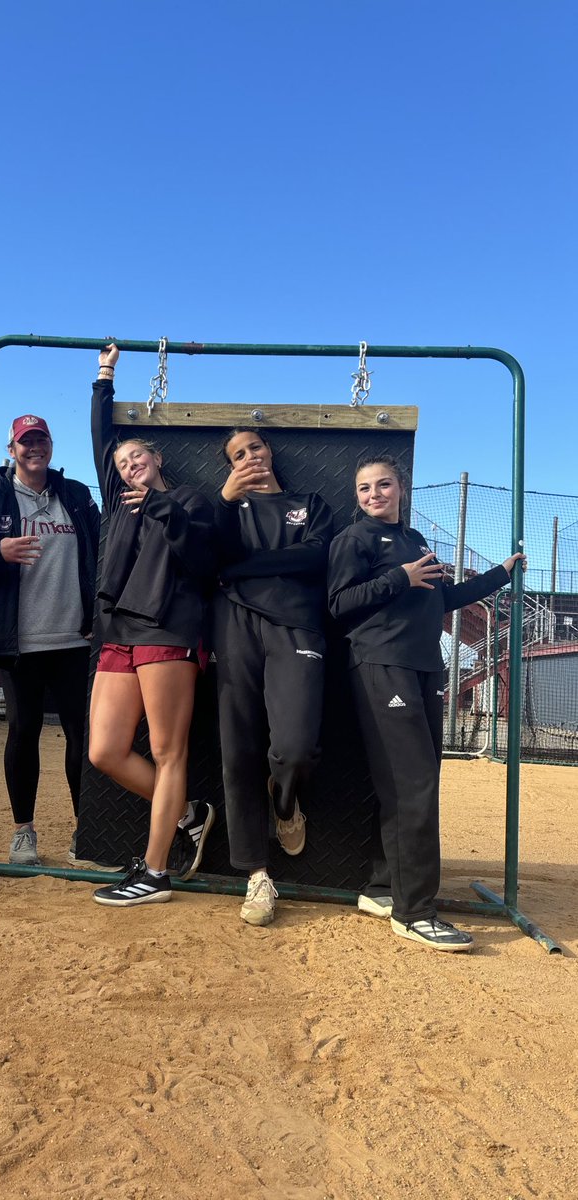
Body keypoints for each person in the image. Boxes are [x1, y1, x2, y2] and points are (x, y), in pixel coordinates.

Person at [328, 453, 526, 952]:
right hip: (382, 664)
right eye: (365, 488)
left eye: (384, 485)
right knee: (413, 783)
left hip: (423, 669)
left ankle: (383, 888)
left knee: (409, 782)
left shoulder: (414, 541)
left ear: (401, 487)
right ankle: (415, 911)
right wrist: (400, 579)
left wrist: (500, 574)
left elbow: (442, 600)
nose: (375, 494)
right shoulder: (355, 540)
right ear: (358, 496)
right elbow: (337, 604)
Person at [88, 344, 216, 906]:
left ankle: (156, 872)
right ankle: (188, 812)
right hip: (118, 632)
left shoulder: (191, 500)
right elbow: (101, 437)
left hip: (169, 632)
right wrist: (104, 376)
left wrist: (163, 508)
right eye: (120, 464)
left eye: (136, 458)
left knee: (169, 753)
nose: (128, 466)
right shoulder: (118, 506)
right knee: (104, 752)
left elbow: (204, 560)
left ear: (157, 459)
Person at [212, 428, 333, 926]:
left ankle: (285, 802)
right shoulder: (226, 509)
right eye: (237, 456)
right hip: (234, 622)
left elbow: (316, 554)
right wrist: (224, 503)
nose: (249, 458)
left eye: (254, 448)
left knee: (297, 744)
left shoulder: (310, 503)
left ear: (269, 451)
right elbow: (207, 558)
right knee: (237, 746)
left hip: (298, 624)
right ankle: (256, 875)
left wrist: (244, 566)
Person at [0, 414, 100, 863]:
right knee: (23, 733)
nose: (33, 448)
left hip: (75, 640)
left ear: (50, 446)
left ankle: (88, 830)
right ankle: (24, 830)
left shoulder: (78, 496)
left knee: (81, 737)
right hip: (18, 641)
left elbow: (101, 555)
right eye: (25, 442)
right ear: (12, 449)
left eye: (41, 439)